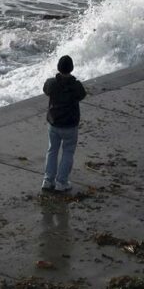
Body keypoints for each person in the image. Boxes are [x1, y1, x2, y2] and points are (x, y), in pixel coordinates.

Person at [41, 55, 87, 192]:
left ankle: (48, 180)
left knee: (52, 150)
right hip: (70, 124)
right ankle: (61, 182)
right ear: (71, 68)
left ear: (58, 68)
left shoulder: (51, 83)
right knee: (68, 151)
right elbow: (82, 95)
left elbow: (45, 90)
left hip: (54, 123)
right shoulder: (76, 86)